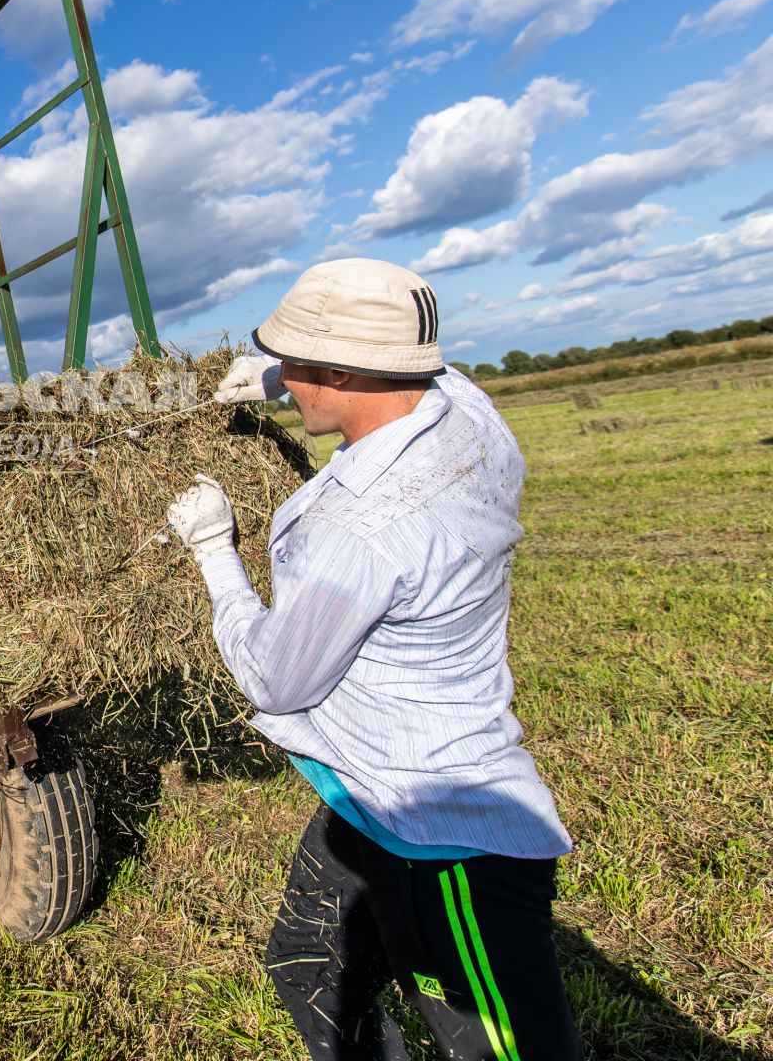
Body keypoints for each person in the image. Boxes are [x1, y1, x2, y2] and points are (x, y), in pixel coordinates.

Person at [166, 258, 582, 1061]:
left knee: (500, 1045)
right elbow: (414, 376)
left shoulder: (361, 525)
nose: (287, 376)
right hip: (367, 793)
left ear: (344, 372)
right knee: (307, 964)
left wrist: (217, 553)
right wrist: (282, 380)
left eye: (301, 365)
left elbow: (276, 678)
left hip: (443, 836)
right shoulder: (468, 414)